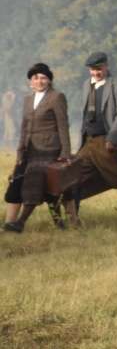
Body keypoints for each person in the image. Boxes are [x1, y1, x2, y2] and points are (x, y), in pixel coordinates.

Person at [60, 52, 117, 223]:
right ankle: (73, 217)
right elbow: (85, 114)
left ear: (106, 66)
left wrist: (112, 139)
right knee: (75, 175)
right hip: (88, 141)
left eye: (99, 69)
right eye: (92, 69)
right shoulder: (86, 85)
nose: (96, 73)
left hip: (106, 140)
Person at [3, 63, 69, 233]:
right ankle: (9, 223)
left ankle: (20, 223)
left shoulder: (57, 97)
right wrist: (19, 152)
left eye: (43, 78)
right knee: (16, 182)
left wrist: (65, 153)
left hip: (49, 149)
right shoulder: (27, 99)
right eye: (35, 78)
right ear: (30, 82)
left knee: (35, 180)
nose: (39, 81)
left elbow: (63, 126)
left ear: (49, 80)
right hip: (28, 150)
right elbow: (24, 127)